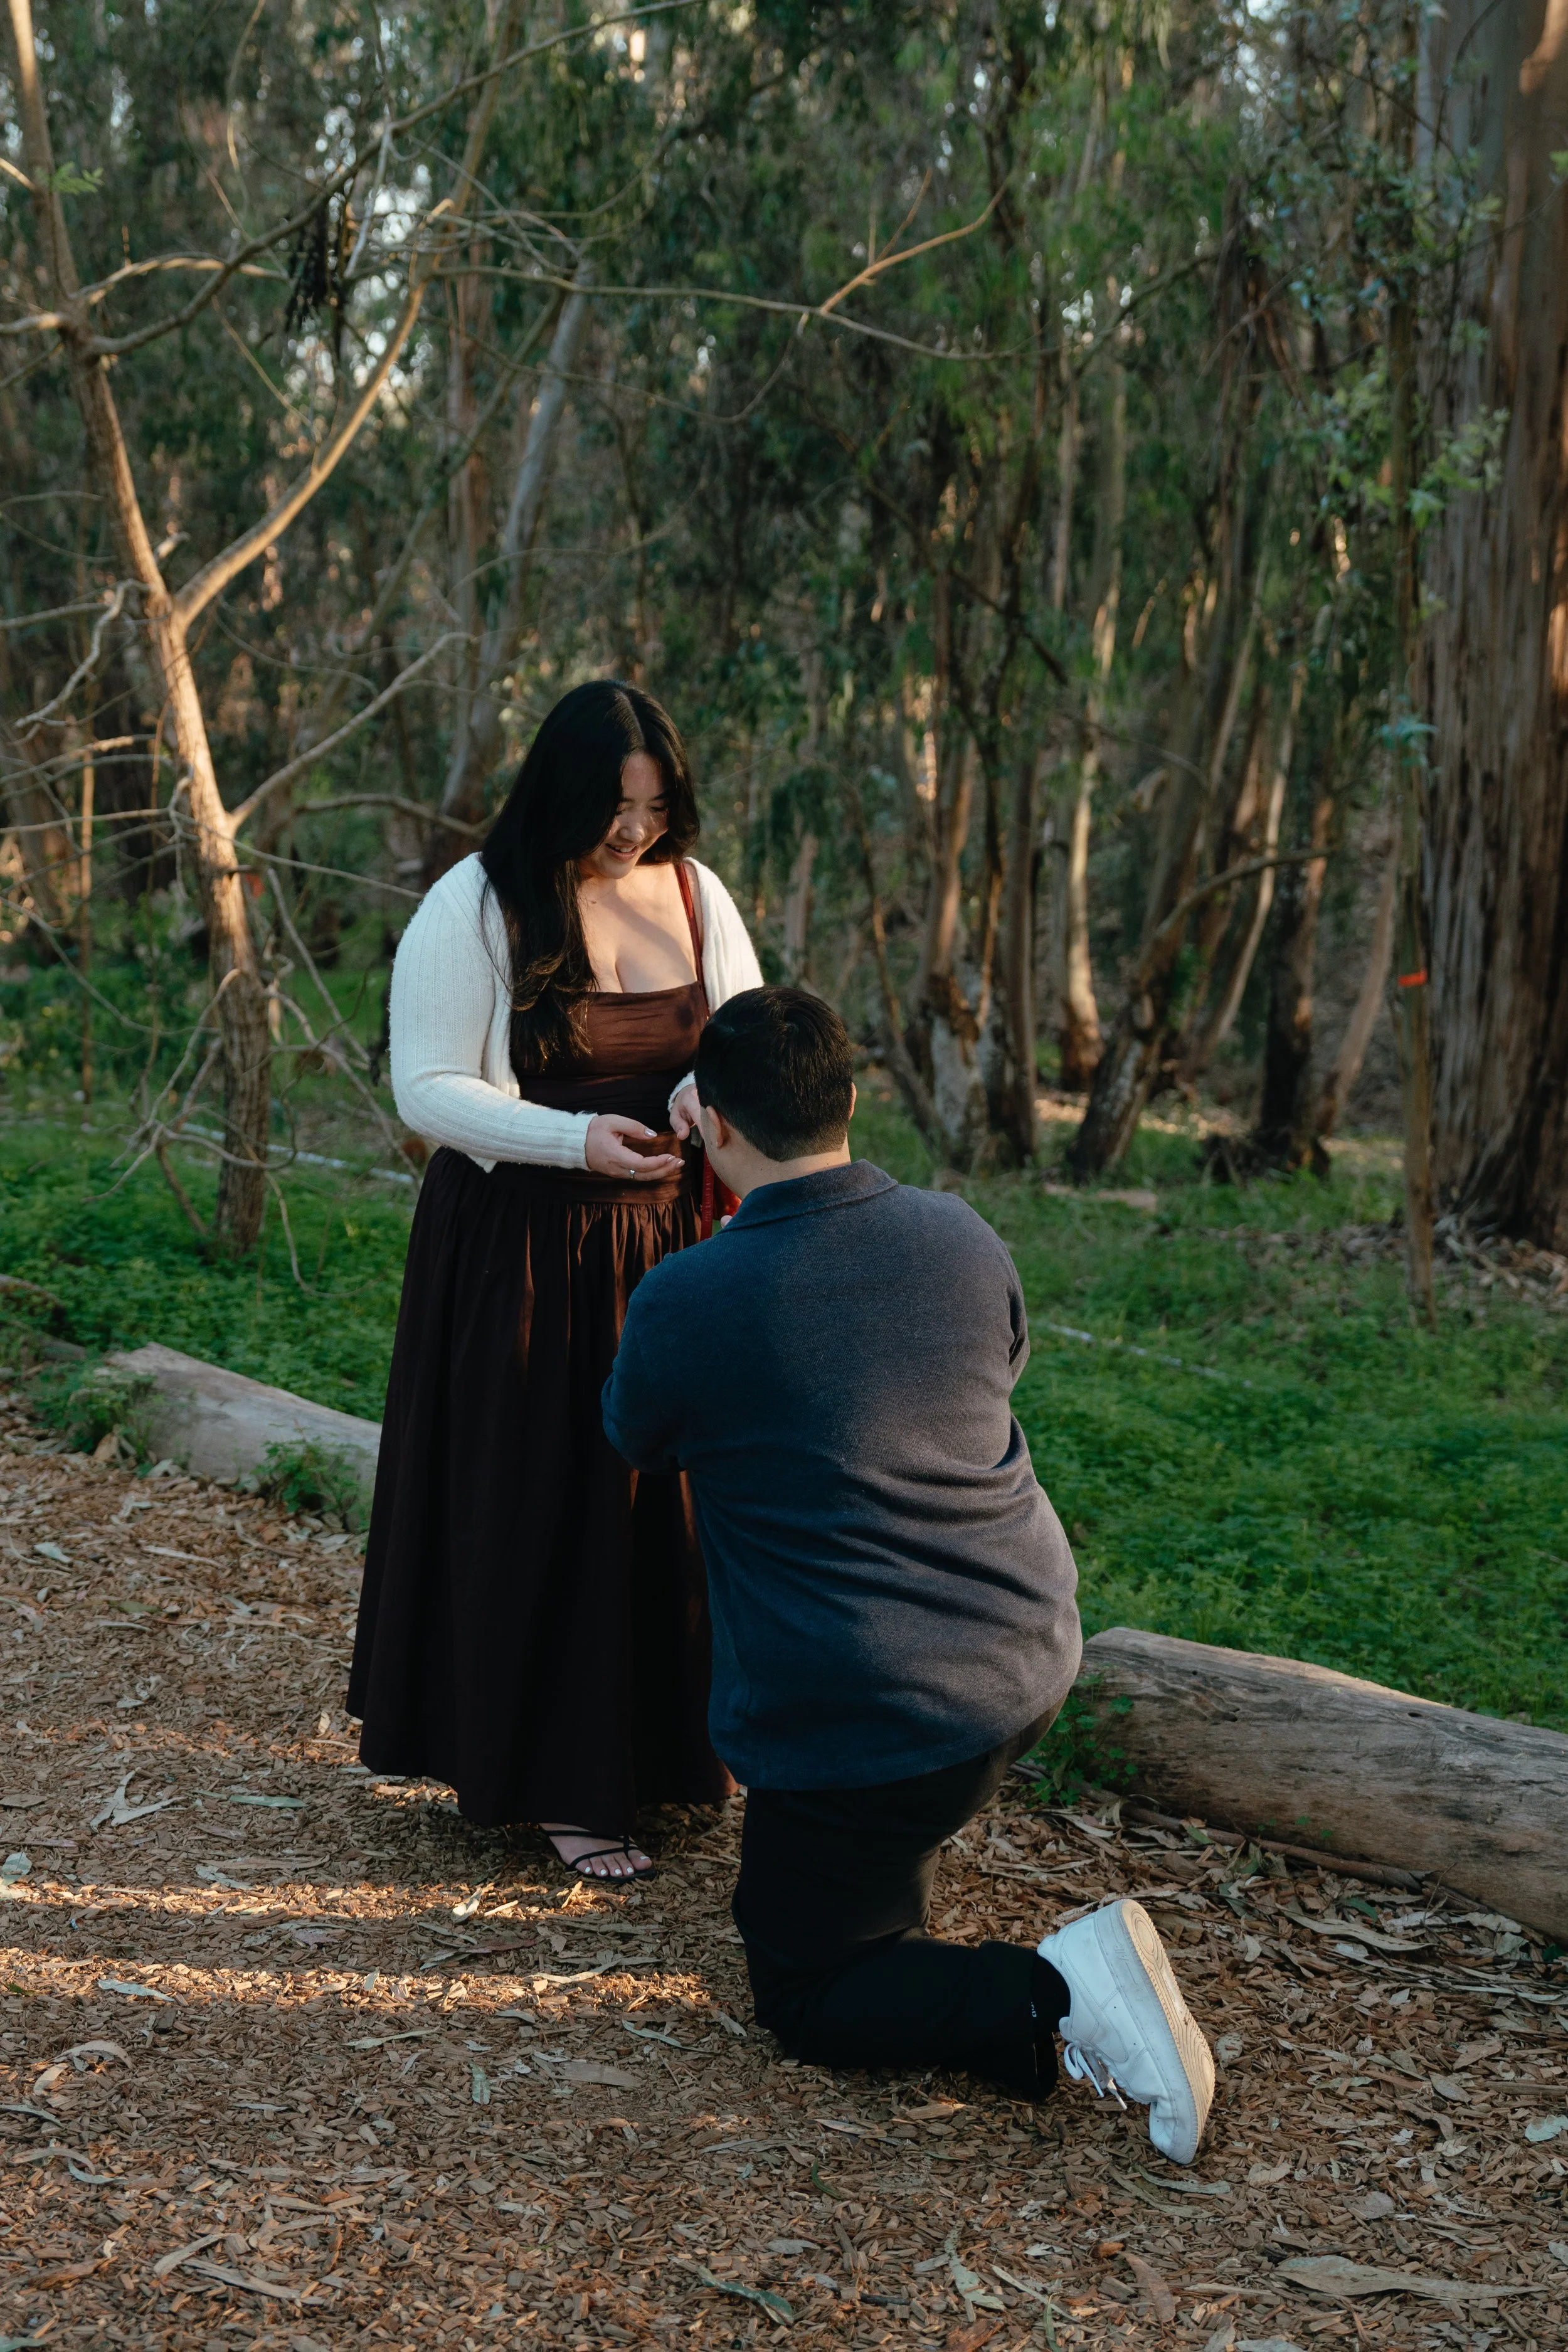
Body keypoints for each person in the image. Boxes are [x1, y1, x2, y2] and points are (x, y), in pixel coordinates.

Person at [601, 987, 1214, 2158]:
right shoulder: (958, 1233)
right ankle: (916, 1895)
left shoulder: (693, 1297)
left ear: (712, 1125)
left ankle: (1061, 1993)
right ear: (847, 1098)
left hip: (871, 1713)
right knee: (841, 1877)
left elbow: (633, 1431)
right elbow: (999, 1364)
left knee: (804, 1987)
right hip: (1025, 1653)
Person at [348, 681, 762, 1881]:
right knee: (551, 1496)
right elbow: (425, 1088)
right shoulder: (477, 903)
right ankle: (562, 1783)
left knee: (662, 1504)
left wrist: (704, 1096)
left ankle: (661, 1755)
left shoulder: (697, 893)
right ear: (561, 791)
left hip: (672, 1249)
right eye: (613, 805)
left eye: (653, 804)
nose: (635, 831)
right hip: (525, 1252)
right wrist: (571, 1142)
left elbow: (742, 1035)